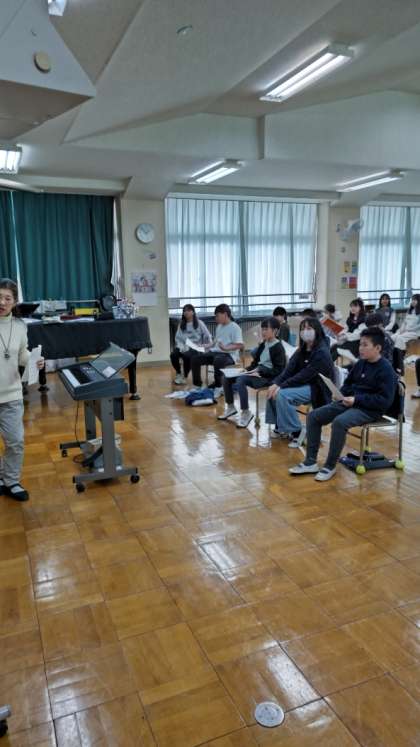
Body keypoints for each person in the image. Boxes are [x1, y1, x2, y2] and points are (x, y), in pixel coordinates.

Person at [289, 327, 398, 482]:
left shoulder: (386, 369)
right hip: (351, 403)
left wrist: (356, 400)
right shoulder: (360, 363)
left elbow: (384, 400)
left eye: (365, 345)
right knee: (313, 416)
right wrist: (341, 394)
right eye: (360, 344)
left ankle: (330, 466)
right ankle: (310, 462)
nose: (360, 348)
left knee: (340, 422)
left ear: (378, 348)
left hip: (370, 410)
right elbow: (348, 384)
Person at [0, 278, 44, 502]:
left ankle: (12, 481)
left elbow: (22, 354)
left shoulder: (19, 326)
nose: (2, 302)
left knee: (15, 441)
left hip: (11, 394)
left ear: (15, 301)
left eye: (7, 298)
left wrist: (34, 360)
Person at [265, 317, 334, 446]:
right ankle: (281, 427)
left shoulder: (322, 352)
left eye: (309, 328)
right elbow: (289, 369)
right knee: (271, 390)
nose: (305, 331)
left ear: (317, 330)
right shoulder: (302, 349)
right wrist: (276, 383)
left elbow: (304, 375)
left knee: (282, 395)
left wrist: (282, 386)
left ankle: (297, 431)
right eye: (302, 329)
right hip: (303, 384)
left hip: (317, 388)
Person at [218, 317, 286, 428]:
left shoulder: (278, 347)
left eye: (266, 329)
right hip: (257, 373)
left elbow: (279, 371)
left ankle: (246, 412)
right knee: (226, 377)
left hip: (267, 378)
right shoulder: (264, 344)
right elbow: (255, 363)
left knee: (241, 380)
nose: (263, 332)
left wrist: (261, 370)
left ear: (275, 331)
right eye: (262, 329)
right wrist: (246, 370)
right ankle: (230, 407)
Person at [190, 303, 243, 393]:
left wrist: (226, 348)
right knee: (195, 359)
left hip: (229, 355)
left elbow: (239, 345)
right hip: (216, 353)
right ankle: (197, 385)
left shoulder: (235, 327)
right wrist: (203, 346)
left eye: (217, 316)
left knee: (218, 360)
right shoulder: (219, 326)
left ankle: (219, 386)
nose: (216, 318)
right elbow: (214, 343)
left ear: (225, 314)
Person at [171, 304, 211, 384]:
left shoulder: (199, 323)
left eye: (188, 310)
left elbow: (207, 335)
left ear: (193, 312)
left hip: (196, 347)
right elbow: (178, 337)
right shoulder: (181, 324)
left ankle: (185, 376)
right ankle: (179, 373)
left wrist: (206, 345)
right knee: (173, 355)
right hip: (183, 346)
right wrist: (181, 346)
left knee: (186, 356)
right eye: (184, 311)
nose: (186, 312)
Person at [392, 294, 420, 374]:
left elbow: (418, 326)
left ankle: (400, 365)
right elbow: (404, 322)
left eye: (415, 300)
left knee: (399, 339)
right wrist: (401, 330)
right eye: (412, 300)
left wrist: (407, 330)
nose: (413, 301)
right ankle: (395, 363)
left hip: (415, 332)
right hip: (405, 331)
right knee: (393, 337)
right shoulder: (409, 311)